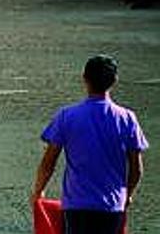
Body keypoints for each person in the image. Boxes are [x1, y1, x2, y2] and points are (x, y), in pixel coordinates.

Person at [31, 55, 148, 234]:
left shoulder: (66, 116)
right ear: (114, 81)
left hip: (77, 206)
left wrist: (38, 191)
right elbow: (136, 169)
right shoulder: (127, 119)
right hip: (112, 206)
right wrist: (128, 194)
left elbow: (49, 163)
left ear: (84, 78)